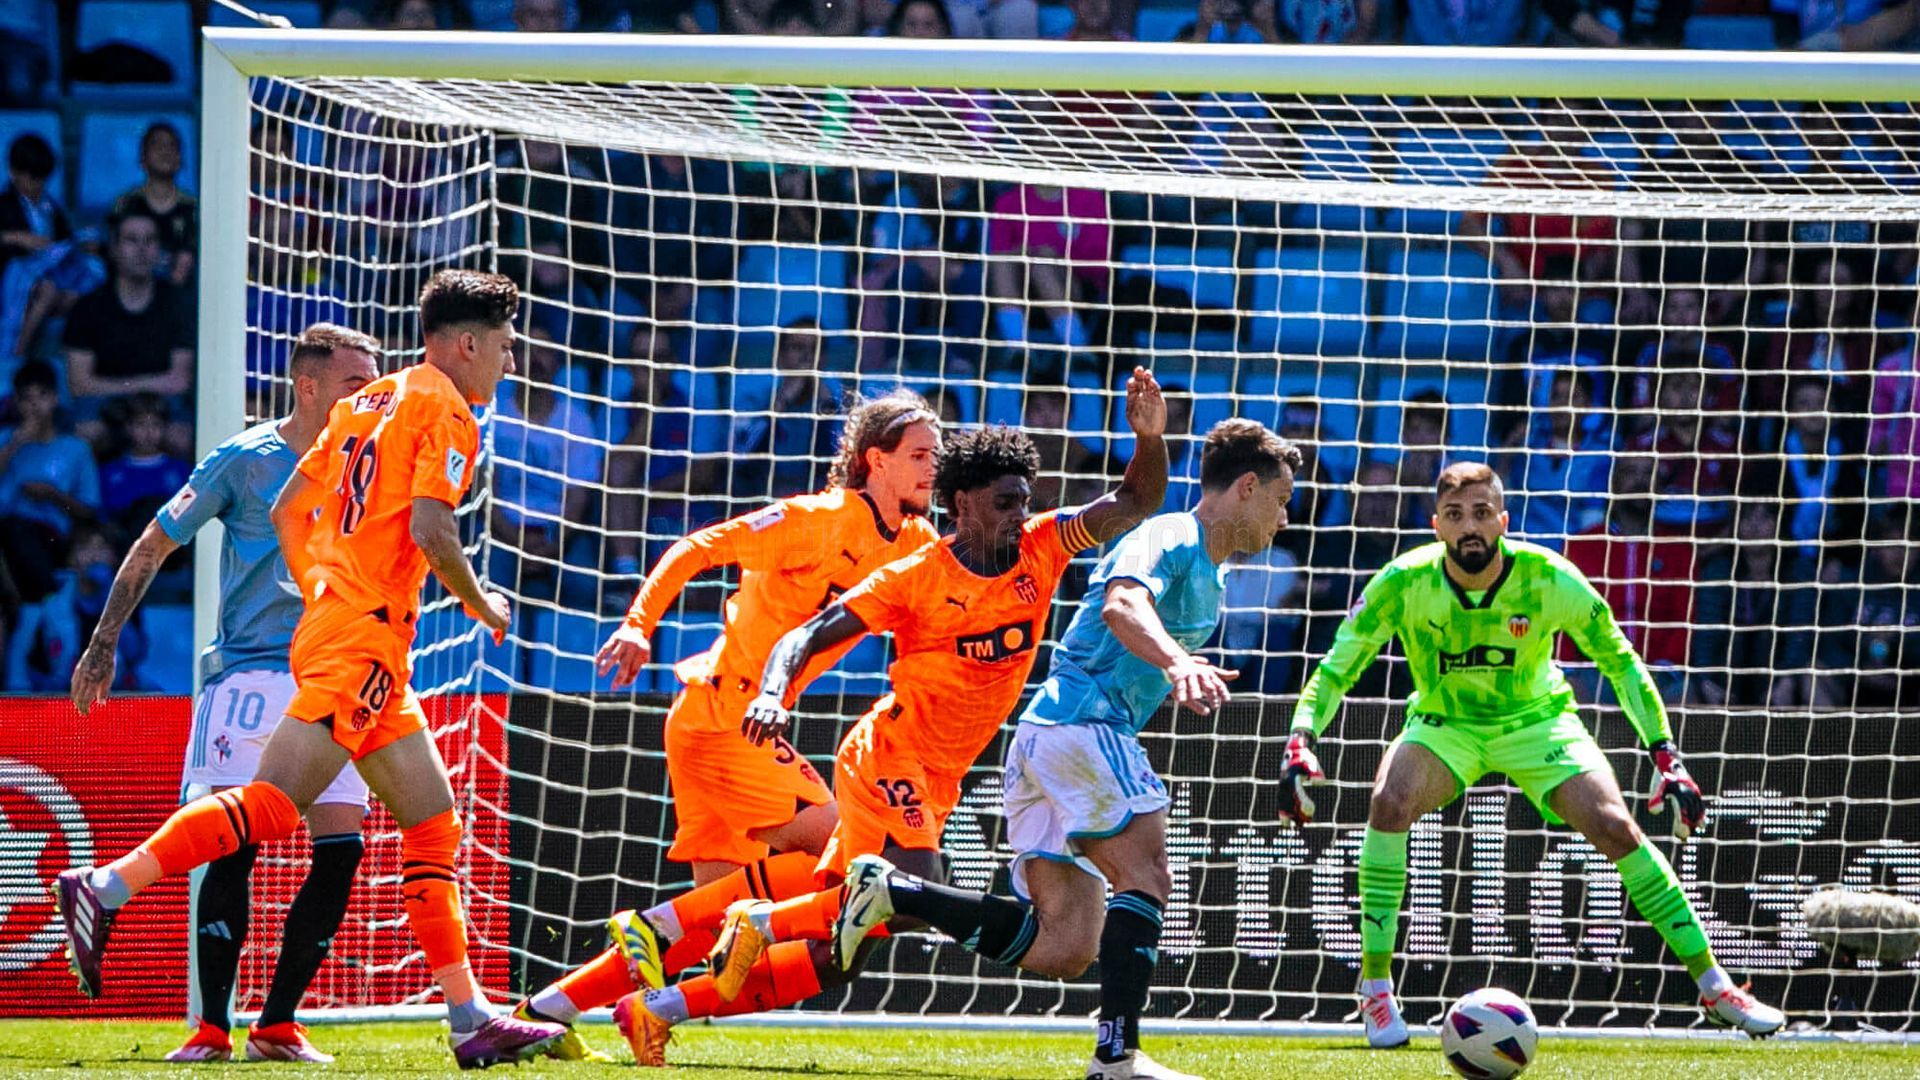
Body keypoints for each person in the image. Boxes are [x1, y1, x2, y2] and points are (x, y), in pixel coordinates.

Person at [52, 269, 566, 1069]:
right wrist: (479, 603)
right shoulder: (450, 412)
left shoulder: (367, 401)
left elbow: (294, 503)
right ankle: (106, 886)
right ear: (466, 344)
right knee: (270, 809)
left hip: (355, 636)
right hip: (359, 639)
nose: (509, 360)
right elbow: (433, 527)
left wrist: (319, 585)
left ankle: (469, 1018)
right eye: (503, 345)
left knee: (432, 819)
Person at [643, 369, 1167, 1066]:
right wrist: (774, 691)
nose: (1021, 513)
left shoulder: (1043, 547)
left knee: (843, 954)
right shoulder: (917, 575)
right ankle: (726, 924)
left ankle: (659, 1005)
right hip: (889, 755)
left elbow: (1136, 499)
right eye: (1005, 502)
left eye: (1025, 499)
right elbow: (809, 634)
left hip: (943, 771)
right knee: (912, 889)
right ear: (962, 504)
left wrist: (1150, 438)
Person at [818, 419, 1301, 1080]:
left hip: (1049, 737)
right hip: (1082, 725)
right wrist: (1177, 661)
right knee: (1148, 875)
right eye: (1280, 500)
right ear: (1247, 487)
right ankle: (1118, 1058)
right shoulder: (1171, 536)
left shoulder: (1208, 572)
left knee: (1065, 945)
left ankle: (896, 892)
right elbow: (1122, 605)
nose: (1283, 517)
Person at [1280, 462, 1786, 1048]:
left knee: (1616, 825)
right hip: (1447, 722)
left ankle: (1715, 986)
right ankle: (1375, 987)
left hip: (1539, 721)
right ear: (1436, 526)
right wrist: (1301, 738)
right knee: (1388, 802)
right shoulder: (1402, 582)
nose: (1469, 526)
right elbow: (1336, 668)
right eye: (1454, 516)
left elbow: (1619, 661)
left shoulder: (1549, 577)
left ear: (1502, 519)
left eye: (1479, 514)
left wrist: (1664, 753)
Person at [507, 389, 944, 1060]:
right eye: (918, 455)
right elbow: (697, 546)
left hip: (726, 724)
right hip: (728, 716)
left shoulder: (914, 541)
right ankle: (644, 933)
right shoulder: (817, 518)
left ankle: (537, 1014)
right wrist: (636, 625)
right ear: (873, 461)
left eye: (935, 455)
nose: (931, 468)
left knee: (724, 933)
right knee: (856, 862)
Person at [68, 324, 381, 1063]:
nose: (371, 394)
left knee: (341, 849)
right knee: (235, 848)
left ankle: (276, 1025)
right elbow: (153, 544)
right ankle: (211, 1026)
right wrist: (105, 640)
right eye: (354, 382)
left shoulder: (368, 460)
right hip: (250, 675)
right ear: (308, 387)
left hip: (333, 674)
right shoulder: (244, 461)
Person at [108, 122, 197, 287]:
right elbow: (114, 253)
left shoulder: (193, 207)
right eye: (157, 145)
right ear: (142, 158)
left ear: (180, 159)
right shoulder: (126, 203)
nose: (165, 151)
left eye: (172, 146)